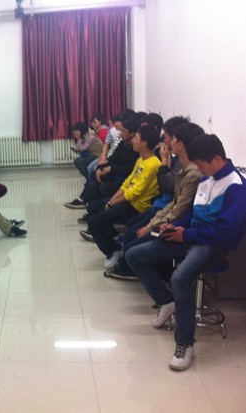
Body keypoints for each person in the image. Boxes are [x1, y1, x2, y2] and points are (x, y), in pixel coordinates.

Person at [126, 134, 246, 371]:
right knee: (134, 255)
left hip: (213, 244)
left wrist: (187, 235)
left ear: (217, 159)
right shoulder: (207, 178)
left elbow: (225, 232)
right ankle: (166, 301)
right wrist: (174, 226)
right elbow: (193, 212)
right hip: (191, 235)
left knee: (180, 277)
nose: (198, 170)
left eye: (200, 165)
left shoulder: (236, 187)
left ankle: (184, 344)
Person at [106, 121, 204, 280]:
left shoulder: (192, 172)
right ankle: (128, 265)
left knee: (133, 242)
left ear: (181, 144)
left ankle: (134, 271)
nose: (165, 140)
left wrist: (151, 226)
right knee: (131, 232)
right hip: (163, 212)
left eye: (170, 137)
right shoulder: (180, 165)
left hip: (173, 222)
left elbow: (175, 203)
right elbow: (174, 202)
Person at [84, 124, 162, 269]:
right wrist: (112, 201)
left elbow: (135, 193)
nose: (133, 140)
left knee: (93, 222)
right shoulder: (141, 160)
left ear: (144, 142)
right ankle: (114, 239)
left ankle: (112, 250)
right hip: (126, 201)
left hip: (136, 206)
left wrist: (111, 203)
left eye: (136, 138)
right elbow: (127, 183)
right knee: (93, 207)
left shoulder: (153, 165)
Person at [64, 120, 104, 209]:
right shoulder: (84, 137)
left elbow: (83, 148)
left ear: (82, 130)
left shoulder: (91, 137)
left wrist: (78, 140)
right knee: (77, 161)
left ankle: (88, 178)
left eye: (77, 131)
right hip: (92, 155)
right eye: (74, 131)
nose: (75, 133)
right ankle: (88, 177)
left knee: (81, 162)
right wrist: (76, 147)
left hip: (98, 155)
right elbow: (79, 148)